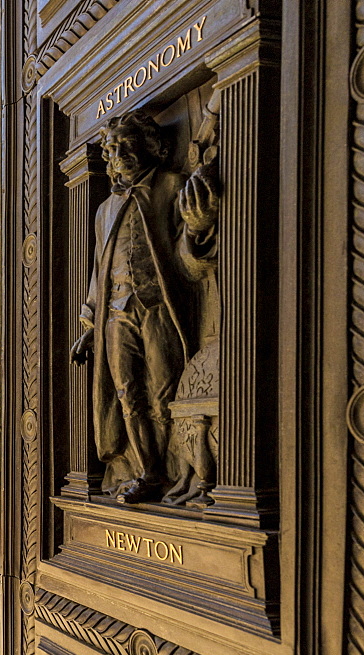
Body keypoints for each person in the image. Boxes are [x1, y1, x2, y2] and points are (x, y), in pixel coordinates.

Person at [70, 110, 218, 503]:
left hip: (157, 307)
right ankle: (148, 472)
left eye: (127, 146)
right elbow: (99, 270)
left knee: (164, 391)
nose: (119, 155)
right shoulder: (105, 210)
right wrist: (89, 325)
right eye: (112, 149)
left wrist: (200, 226)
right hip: (116, 314)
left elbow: (190, 256)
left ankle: (173, 466)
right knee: (126, 394)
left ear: (150, 147)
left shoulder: (173, 186)